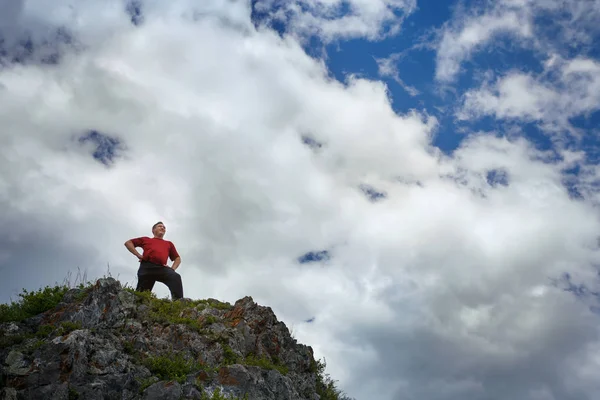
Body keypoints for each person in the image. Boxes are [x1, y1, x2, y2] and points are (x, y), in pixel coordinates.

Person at [124, 221, 184, 300]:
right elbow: (128, 243)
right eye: (160, 226)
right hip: (147, 267)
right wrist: (138, 255)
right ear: (153, 230)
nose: (162, 228)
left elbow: (177, 258)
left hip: (161, 268)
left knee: (175, 277)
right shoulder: (146, 240)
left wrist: (172, 269)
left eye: (164, 227)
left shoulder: (168, 244)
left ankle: (178, 303)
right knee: (141, 296)